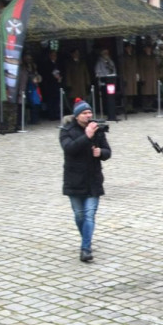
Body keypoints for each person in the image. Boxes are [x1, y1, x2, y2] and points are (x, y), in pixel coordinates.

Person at [60, 99, 112, 262]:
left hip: (93, 179)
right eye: (84, 113)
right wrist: (87, 135)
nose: (88, 115)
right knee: (79, 215)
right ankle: (86, 239)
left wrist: (101, 152)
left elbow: (108, 151)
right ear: (77, 116)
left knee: (89, 215)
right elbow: (69, 149)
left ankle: (85, 249)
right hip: (74, 180)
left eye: (90, 112)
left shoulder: (98, 129)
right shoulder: (66, 130)